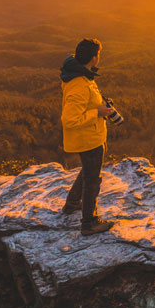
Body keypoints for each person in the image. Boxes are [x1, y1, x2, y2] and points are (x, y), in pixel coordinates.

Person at [60, 38, 114, 236]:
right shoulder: (79, 84)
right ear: (93, 58)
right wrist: (97, 112)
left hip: (91, 135)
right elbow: (70, 119)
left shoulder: (81, 76)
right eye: (98, 54)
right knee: (92, 179)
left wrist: (100, 106)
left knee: (88, 170)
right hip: (88, 139)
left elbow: (85, 104)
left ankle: (72, 203)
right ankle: (89, 223)